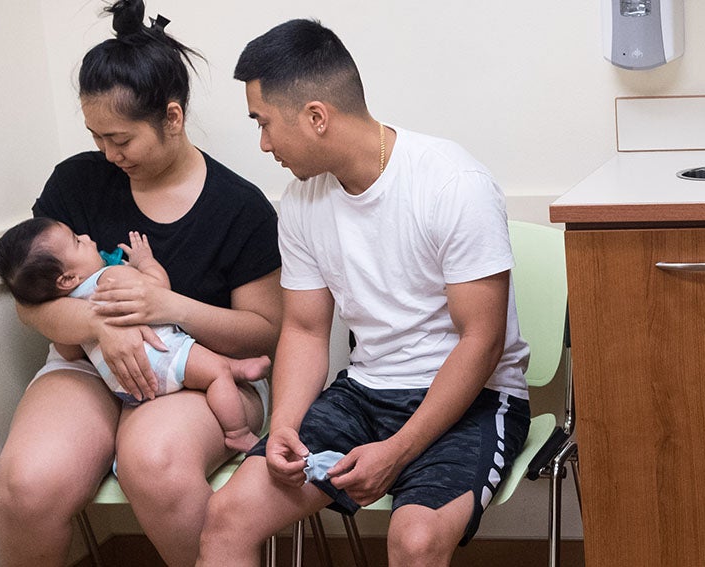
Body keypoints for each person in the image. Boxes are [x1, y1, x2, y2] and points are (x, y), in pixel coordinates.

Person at [198, 18, 531, 567]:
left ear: (316, 117)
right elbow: (305, 329)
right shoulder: (301, 202)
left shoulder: (452, 183)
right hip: (366, 391)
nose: (263, 144)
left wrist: (399, 452)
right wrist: (283, 425)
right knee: (227, 516)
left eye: (265, 124)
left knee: (414, 542)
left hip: (472, 397)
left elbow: (482, 340)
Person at [0, 1, 282, 565]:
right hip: (86, 367)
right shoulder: (75, 183)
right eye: (96, 136)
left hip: (202, 373)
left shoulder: (238, 208)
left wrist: (165, 304)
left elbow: (262, 334)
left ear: (172, 118)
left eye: (121, 138)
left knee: (154, 464)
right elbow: (33, 307)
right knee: (27, 486)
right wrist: (102, 324)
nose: (107, 153)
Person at [0, 218, 270, 451]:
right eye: (77, 241)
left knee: (209, 367)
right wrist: (144, 262)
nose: (87, 237)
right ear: (67, 279)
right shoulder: (108, 279)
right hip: (161, 360)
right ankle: (238, 432)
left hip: (125, 385)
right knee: (215, 374)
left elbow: (70, 351)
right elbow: (158, 290)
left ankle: (238, 368)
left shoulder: (72, 306)